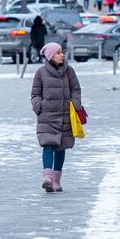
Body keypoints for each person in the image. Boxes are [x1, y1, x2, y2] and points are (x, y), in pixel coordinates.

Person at [30, 43, 82, 193]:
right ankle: (48, 178)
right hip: (47, 116)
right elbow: (35, 94)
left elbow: (76, 90)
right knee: (48, 145)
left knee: (61, 147)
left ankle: (57, 180)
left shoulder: (69, 71)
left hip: (66, 114)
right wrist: (39, 106)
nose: (62, 55)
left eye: (62, 52)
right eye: (58, 53)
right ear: (50, 56)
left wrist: (75, 104)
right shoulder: (40, 73)